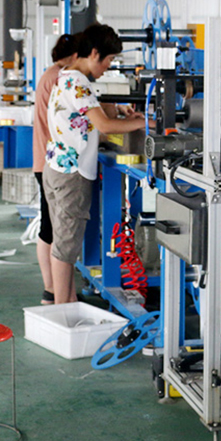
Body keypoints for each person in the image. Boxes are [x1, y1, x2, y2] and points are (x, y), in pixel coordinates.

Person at [43, 24, 148, 305]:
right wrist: (143, 123)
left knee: (62, 244)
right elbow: (104, 125)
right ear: (94, 53)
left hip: (56, 166)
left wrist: (122, 113)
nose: (108, 66)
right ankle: (62, 310)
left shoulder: (65, 77)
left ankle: (66, 302)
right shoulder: (79, 82)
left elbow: (87, 117)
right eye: (109, 59)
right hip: (72, 174)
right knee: (65, 249)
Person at [33, 34, 78, 305]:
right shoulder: (58, 78)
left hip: (45, 158)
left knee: (50, 227)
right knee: (52, 231)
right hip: (51, 161)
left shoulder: (50, 75)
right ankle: (52, 292)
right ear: (74, 56)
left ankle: (55, 291)